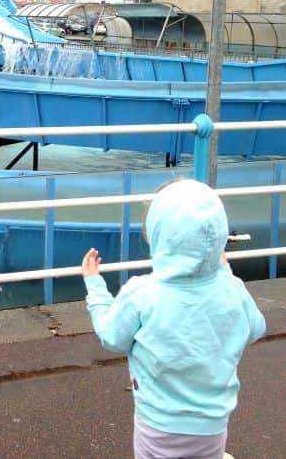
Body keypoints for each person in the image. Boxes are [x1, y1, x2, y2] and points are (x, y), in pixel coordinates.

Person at [81, 178, 265, 459]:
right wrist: (225, 274)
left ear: (157, 235)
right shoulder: (233, 290)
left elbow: (112, 336)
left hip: (157, 424)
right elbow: (256, 328)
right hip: (213, 427)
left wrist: (95, 287)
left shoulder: (142, 294)